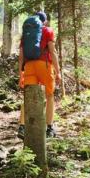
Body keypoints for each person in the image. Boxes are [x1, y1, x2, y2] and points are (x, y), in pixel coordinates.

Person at [18, 11, 61, 139]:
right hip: (45, 65)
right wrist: (58, 72)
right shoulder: (48, 31)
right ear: (45, 21)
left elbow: (21, 56)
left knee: (28, 96)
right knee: (49, 96)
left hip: (29, 66)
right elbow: (52, 52)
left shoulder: (26, 34)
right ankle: (49, 128)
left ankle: (22, 127)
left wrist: (21, 74)